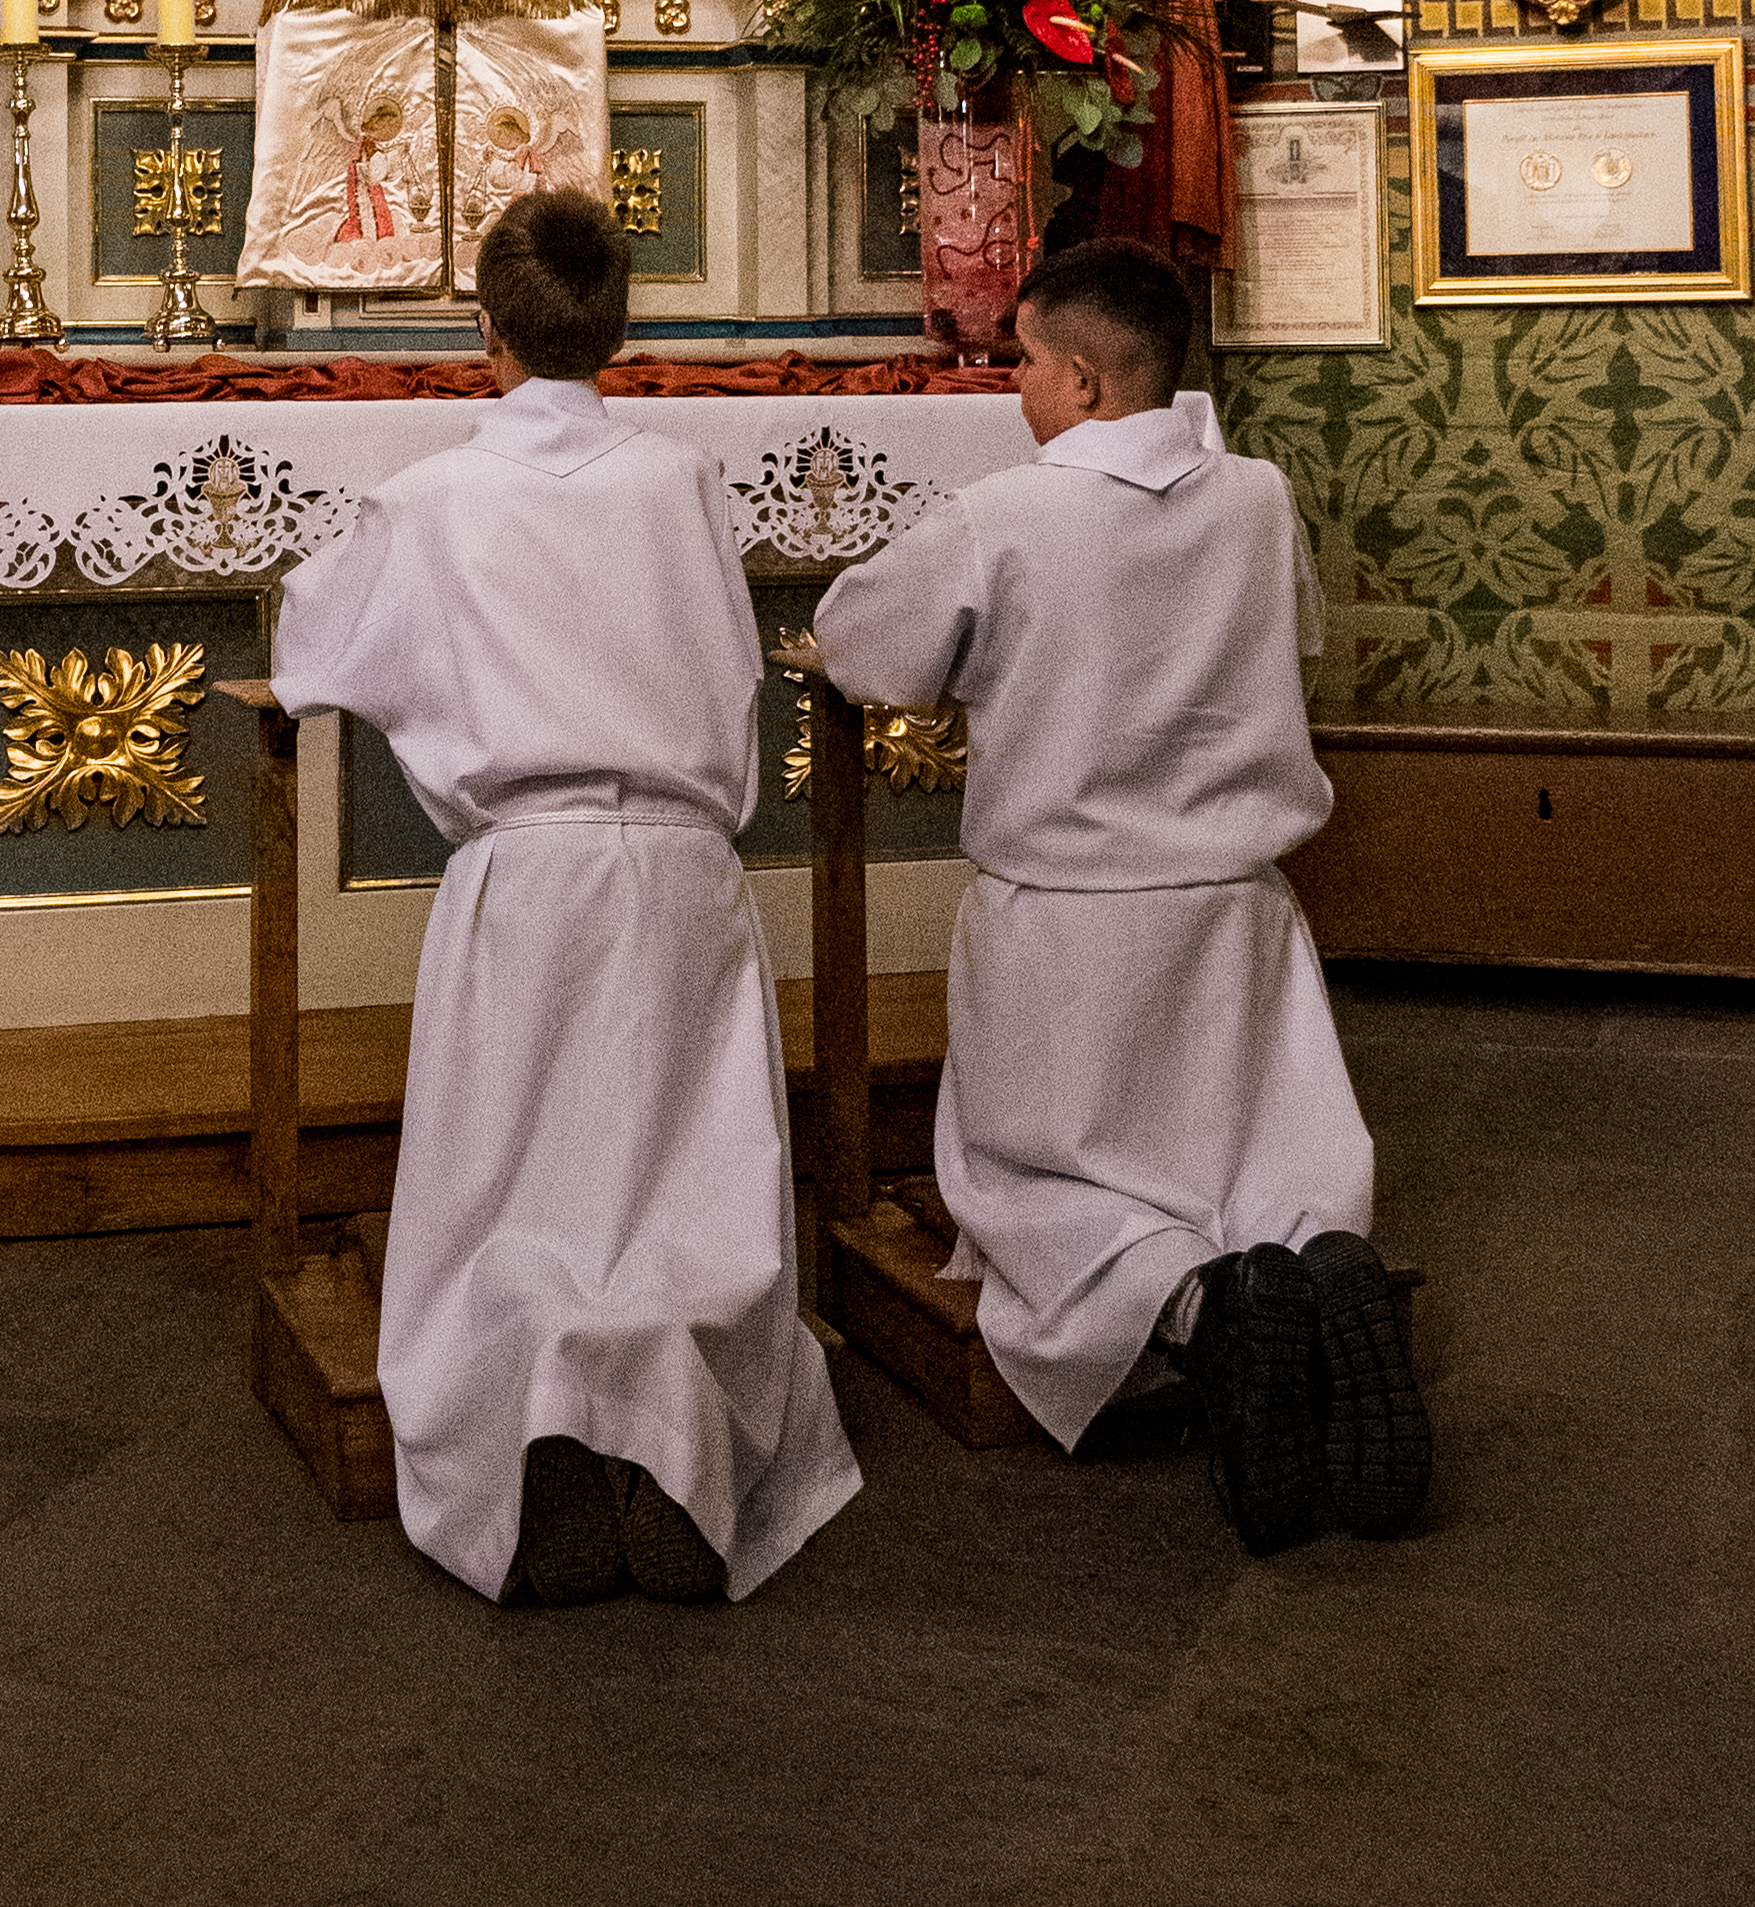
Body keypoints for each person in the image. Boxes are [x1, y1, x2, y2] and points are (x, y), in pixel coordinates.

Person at [270, 189, 863, 1605]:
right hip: (677, 869)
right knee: (683, 1174)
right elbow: (730, 671)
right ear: (620, 324)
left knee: (511, 1187)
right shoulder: (678, 482)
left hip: (522, 875)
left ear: (481, 326)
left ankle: (531, 1416)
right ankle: (675, 1418)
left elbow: (315, 648)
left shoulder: (429, 500)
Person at [812, 241, 1423, 1551]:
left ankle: (1194, 1307)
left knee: (1038, 1179)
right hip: (1233, 912)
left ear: (1082, 380)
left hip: (1070, 923)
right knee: (1261, 1148)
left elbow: (868, 647)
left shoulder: (1006, 514)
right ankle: (1313, 1260)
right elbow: (1293, 636)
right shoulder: (1255, 495)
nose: (1012, 386)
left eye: (1022, 360)